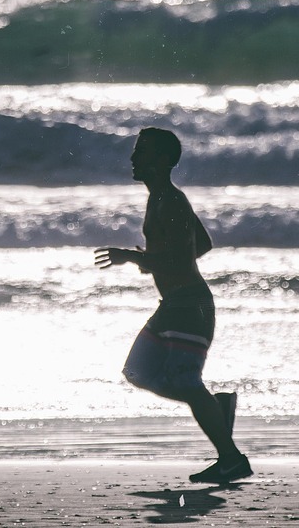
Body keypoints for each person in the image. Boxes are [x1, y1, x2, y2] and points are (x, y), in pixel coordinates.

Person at [94, 127, 252, 484]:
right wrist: (154, 258)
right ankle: (215, 409)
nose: (134, 158)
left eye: (142, 152)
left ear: (163, 160)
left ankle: (231, 459)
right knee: (138, 371)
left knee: (184, 379)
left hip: (190, 306)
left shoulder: (172, 200)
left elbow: (183, 258)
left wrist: (135, 258)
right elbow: (203, 244)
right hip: (173, 305)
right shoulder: (160, 197)